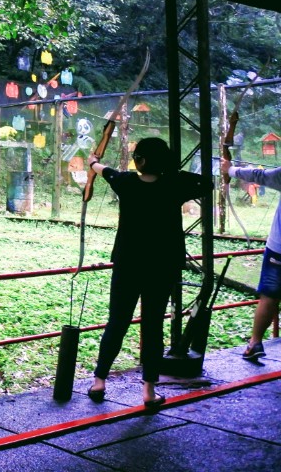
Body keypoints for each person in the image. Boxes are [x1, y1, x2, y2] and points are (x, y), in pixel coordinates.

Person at [86, 137, 210, 408]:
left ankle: (99, 381)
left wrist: (93, 162)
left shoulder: (127, 182)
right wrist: (171, 171)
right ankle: (149, 392)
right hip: (161, 266)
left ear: (140, 161)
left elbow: (103, 170)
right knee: (153, 326)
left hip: (128, 264)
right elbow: (206, 183)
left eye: (137, 157)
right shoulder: (174, 185)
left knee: (117, 321)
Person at [221, 157, 281, 361]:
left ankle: (255, 343)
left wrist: (230, 170)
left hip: (278, 250)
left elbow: (259, 176)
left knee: (270, 296)